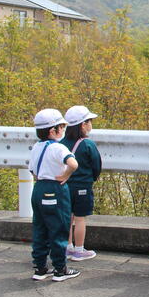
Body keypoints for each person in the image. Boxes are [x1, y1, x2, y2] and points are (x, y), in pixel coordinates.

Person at [29, 109, 81, 281]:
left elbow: (32, 171)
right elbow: (73, 164)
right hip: (55, 189)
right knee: (58, 228)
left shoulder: (36, 147)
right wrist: (65, 175)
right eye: (62, 126)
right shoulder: (58, 147)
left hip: (38, 188)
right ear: (53, 130)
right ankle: (60, 269)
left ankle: (40, 268)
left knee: (40, 229)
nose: (64, 129)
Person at [62, 105, 101, 262]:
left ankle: (67, 247)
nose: (91, 124)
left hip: (65, 185)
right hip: (82, 186)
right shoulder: (87, 144)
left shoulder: (61, 143)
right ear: (83, 124)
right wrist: (92, 178)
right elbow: (96, 166)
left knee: (67, 217)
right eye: (89, 121)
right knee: (80, 218)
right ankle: (79, 250)